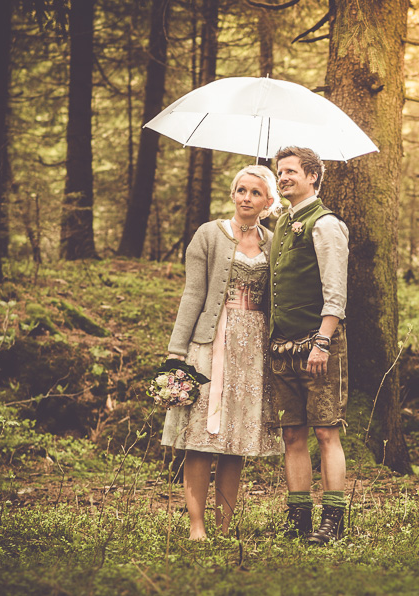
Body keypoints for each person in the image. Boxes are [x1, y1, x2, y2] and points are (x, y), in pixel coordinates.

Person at [161, 164, 283, 540]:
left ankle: (224, 527)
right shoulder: (208, 235)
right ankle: (197, 526)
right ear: (233, 194)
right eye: (241, 190)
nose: (246, 198)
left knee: (235, 442)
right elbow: (193, 293)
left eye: (255, 193)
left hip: (254, 351)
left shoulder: (273, 241)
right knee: (201, 437)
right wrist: (176, 351)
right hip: (210, 344)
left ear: (268, 202)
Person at [269, 146, 349, 545]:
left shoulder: (326, 224)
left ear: (313, 177)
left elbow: (336, 291)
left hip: (319, 345)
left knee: (326, 433)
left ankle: (333, 519)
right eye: (279, 171)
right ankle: (299, 518)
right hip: (282, 348)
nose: (282, 177)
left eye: (290, 172)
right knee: (292, 435)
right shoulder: (282, 223)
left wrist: (323, 341)